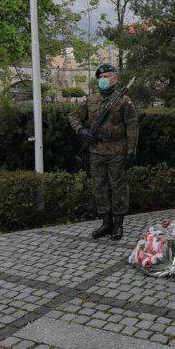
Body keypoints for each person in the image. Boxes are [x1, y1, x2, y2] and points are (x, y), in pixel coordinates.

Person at [68, 63, 138, 240]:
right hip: (96, 152)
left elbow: (132, 126)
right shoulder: (91, 100)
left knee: (118, 188)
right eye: (101, 78)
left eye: (107, 77)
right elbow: (73, 116)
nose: (103, 80)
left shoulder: (123, 101)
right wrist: (81, 131)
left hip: (116, 151)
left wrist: (131, 150)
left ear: (114, 79)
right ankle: (106, 223)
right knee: (100, 188)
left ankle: (118, 225)